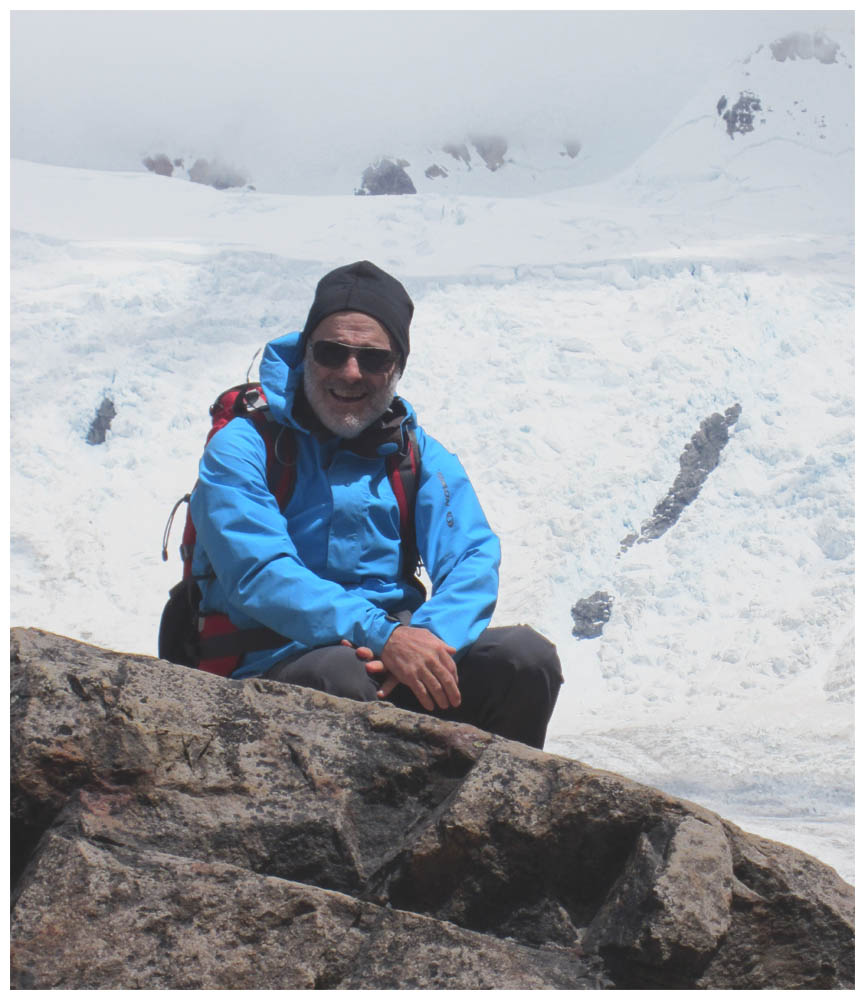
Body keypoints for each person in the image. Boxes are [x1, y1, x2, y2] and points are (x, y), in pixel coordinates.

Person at [189, 261, 562, 749]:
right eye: (332, 352)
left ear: (397, 368)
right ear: (306, 354)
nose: (350, 372)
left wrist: (428, 643)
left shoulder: (417, 453)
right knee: (341, 679)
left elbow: (471, 554)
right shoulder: (243, 448)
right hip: (274, 662)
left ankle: (492, 819)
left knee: (524, 659)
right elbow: (259, 573)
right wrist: (386, 638)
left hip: (389, 658)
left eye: (373, 359)